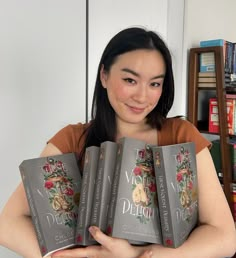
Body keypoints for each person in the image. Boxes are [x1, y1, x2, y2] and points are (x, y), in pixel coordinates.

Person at [0, 27, 235, 258]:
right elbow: (8, 224)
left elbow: (225, 237)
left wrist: (138, 255)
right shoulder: (72, 139)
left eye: (154, 84)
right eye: (130, 80)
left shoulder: (181, 136)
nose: (142, 97)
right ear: (104, 75)